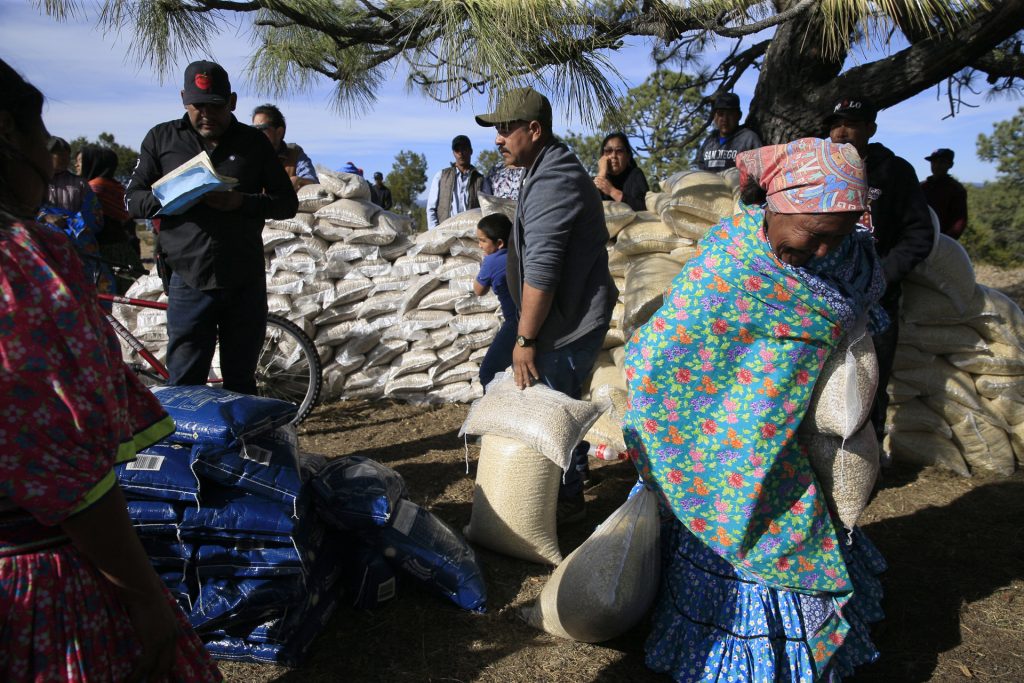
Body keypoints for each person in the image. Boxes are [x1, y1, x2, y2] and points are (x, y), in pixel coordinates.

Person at [623, 137, 887, 682]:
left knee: (798, 511)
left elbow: (862, 306)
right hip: (723, 435)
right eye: (811, 237)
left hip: (799, 424)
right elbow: (661, 353)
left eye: (833, 239)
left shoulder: (851, 256)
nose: (820, 253)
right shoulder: (730, 265)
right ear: (774, 204)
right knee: (753, 514)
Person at [0, 57, 221, 683]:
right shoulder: (24, 267)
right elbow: (60, 464)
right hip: (37, 586)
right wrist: (144, 594)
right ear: (8, 134)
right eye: (46, 143)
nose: (51, 162)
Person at [475, 87, 616, 523]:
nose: (497, 139)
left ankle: (568, 495)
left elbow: (543, 271)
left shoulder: (554, 180)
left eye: (505, 129)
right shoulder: (543, 168)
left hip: (566, 321)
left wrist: (525, 337)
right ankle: (536, 476)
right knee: (493, 373)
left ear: (534, 130)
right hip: (543, 315)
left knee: (557, 405)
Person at [126, 60, 298, 395]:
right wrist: (174, 198)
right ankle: (193, 447)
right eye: (198, 106)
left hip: (243, 279)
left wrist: (242, 203)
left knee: (241, 383)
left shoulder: (254, 143)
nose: (206, 114)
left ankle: (241, 447)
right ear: (183, 100)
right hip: (189, 279)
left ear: (232, 102)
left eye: (215, 106)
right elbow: (132, 200)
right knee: (185, 383)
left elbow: (286, 203)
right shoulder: (162, 139)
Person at [826, 96, 934, 448]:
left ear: (870, 129)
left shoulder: (895, 171)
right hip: (824, 298)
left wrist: (880, 278)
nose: (842, 132)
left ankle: (867, 470)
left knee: (869, 385)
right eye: (836, 123)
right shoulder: (819, 167)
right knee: (821, 384)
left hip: (877, 304)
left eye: (852, 124)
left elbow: (918, 235)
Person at [78, 144, 145, 292]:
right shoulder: (116, 185)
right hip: (123, 247)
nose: (76, 165)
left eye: (80, 161)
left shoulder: (94, 187)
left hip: (105, 251)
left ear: (93, 163)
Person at [474, 213, 518, 389]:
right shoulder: (518, 253)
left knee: (488, 372)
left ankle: (492, 410)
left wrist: (485, 265)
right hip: (528, 317)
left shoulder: (491, 261)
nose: (479, 245)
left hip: (515, 322)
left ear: (499, 243)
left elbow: (479, 290)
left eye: (483, 241)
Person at [251, 103, 319, 191]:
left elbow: (313, 181)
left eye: (262, 128)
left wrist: (298, 180)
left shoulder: (295, 154)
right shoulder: (248, 155)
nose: (257, 134)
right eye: (253, 129)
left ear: (279, 132)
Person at [694, 92, 763, 172]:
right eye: (720, 114)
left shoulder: (749, 139)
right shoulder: (709, 141)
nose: (724, 119)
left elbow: (759, 170)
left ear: (739, 116)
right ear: (714, 117)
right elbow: (699, 168)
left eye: (730, 114)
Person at [426, 134, 484, 229]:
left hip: (470, 233)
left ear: (471, 151)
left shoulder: (480, 179)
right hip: (445, 233)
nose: (461, 153)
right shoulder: (441, 176)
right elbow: (431, 209)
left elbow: (485, 210)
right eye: (457, 150)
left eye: (464, 149)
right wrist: (434, 232)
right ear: (453, 153)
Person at [593, 131, 649, 211]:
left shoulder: (635, 175)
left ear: (628, 156)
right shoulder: (595, 180)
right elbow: (587, 208)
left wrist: (613, 192)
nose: (613, 156)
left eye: (619, 151)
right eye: (608, 151)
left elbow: (645, 206)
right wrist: (602, 174)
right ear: (602, 157)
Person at [921, 147, 968, 240]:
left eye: (941, 162)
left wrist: (945, 241)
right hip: (918, 239)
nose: (937, 165)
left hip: (940, 242)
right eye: (934, 162)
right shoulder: (921, 187)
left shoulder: (956, 190)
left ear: (950, 165)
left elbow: (959, 222)